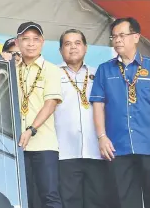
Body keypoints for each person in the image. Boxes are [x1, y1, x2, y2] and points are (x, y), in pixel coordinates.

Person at [90, 17, 150, 208]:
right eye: (114, 36)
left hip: (147, 142)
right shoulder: (104, 69)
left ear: (136, 37)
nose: (117, 40)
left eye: (122, 35)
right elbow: (98, 105)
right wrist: (101, 136)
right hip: (118, 145)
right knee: (125, 201)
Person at [2, 22, 63, 208]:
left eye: (36, 39)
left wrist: (31, 129)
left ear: (43, 42)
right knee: (20, 197)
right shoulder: (11, 68)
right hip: (15, 145)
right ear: (17, 42)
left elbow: (50, 103)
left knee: (50, 196)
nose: (31, 43)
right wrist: (1, 61)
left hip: (43, 144)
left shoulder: (51, 70)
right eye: (25, 39)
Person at [55, 29, 109, 208]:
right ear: (61, 50)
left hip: (96, 151)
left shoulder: (99, 74)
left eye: (77, 43)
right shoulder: (52, 74)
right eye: (67, 44)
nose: (73, 48)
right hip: (64, 152)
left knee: (97, 202)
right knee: (69, 202)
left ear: (85, 48)